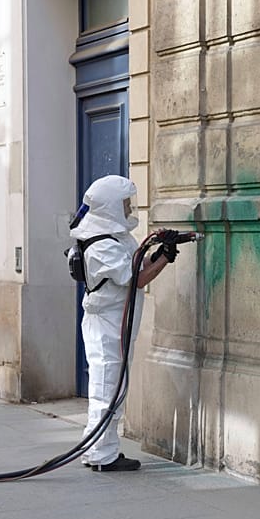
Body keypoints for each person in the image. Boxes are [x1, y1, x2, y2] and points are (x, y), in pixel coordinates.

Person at [70, 174, 180, 471]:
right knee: (107, 390)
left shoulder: (113, 234)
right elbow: (137, 279)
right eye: (125, 203)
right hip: (106, 324)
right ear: (109, 206)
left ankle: (95, 449)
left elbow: (135, 263)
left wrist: (158, 251)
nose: (129, 207)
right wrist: (166, 259)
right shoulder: (99, 243)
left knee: (109, 390)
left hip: (115, 321)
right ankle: (102, 455)